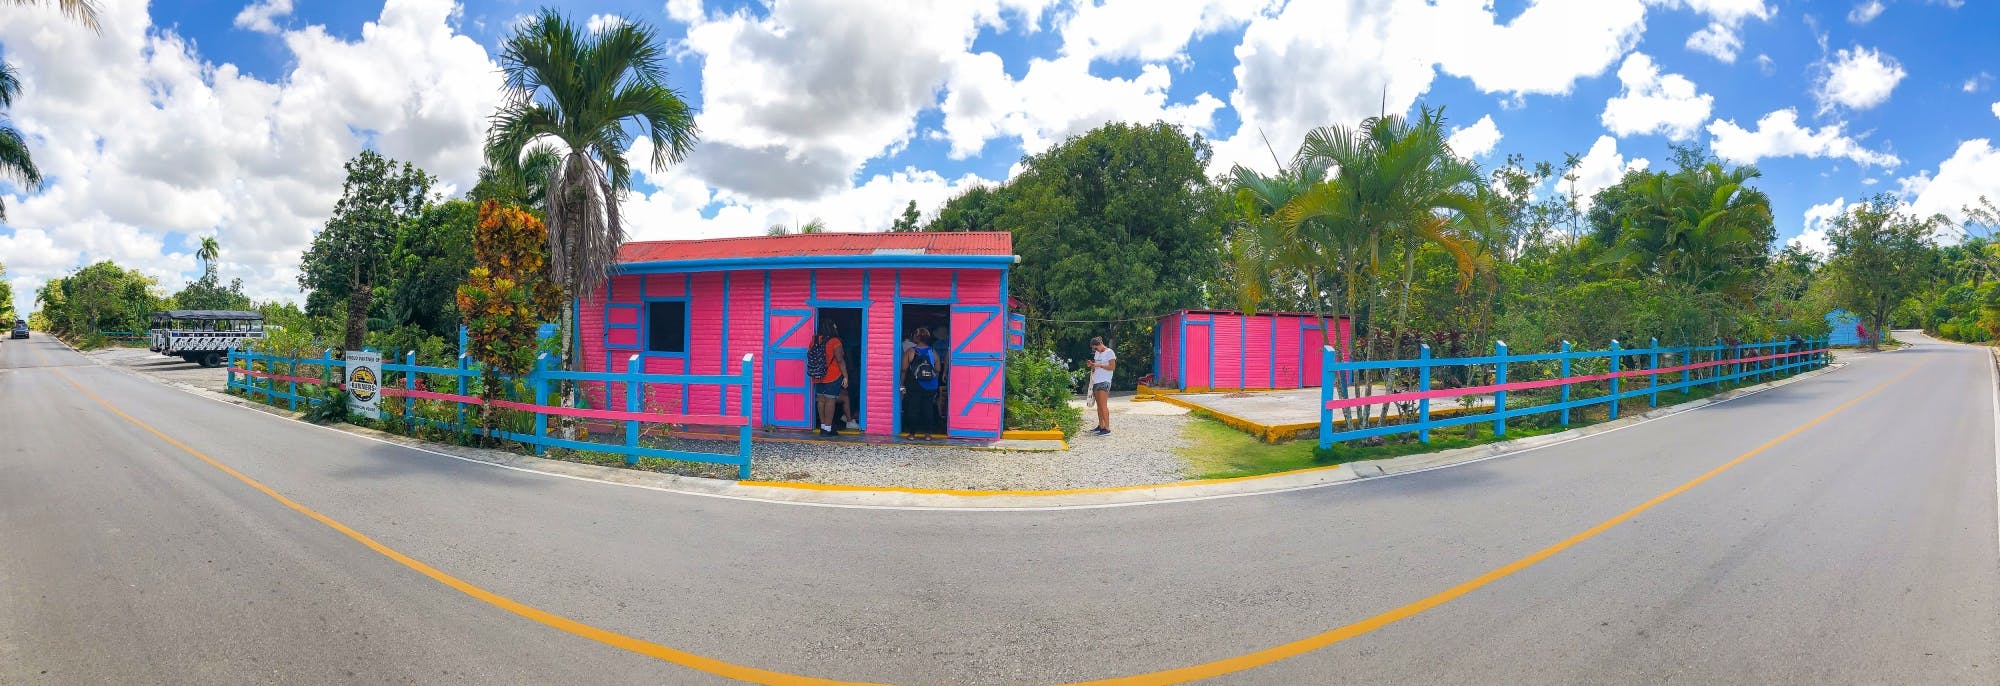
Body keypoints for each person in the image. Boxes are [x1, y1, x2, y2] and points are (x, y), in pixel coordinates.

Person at [902, 331, 942, 440]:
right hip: (930, 385)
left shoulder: (910, 352)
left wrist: (902, 384)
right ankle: (928, 434)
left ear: (917, 338)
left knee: (913, 408)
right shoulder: (933, 352)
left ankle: (912, 434)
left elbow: (904, 369)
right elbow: (938, 369)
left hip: (914, 384)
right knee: (928, 408)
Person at [810, 320, 846, 437]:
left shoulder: (814, 339)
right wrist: (845, 376)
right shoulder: (835, 341)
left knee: (820, 400)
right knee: (830, 400)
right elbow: (840, 360)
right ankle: (828, 429)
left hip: (818, 374)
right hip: (832, 375)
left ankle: (823, 427)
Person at [1084, 337, 1115, 435]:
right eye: (1094, 349)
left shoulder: (1109, 352)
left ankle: (1107, 428)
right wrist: (1092, 365)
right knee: (1099, 406)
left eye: (1096, 348)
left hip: (1104, 380)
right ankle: (1101, 426)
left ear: (1100, 345)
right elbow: (1095, 367)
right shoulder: (1097, 353)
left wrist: (1099, 365)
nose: (1095, 350)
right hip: (1096, 380)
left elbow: (1112, 367)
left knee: (1103, 405)